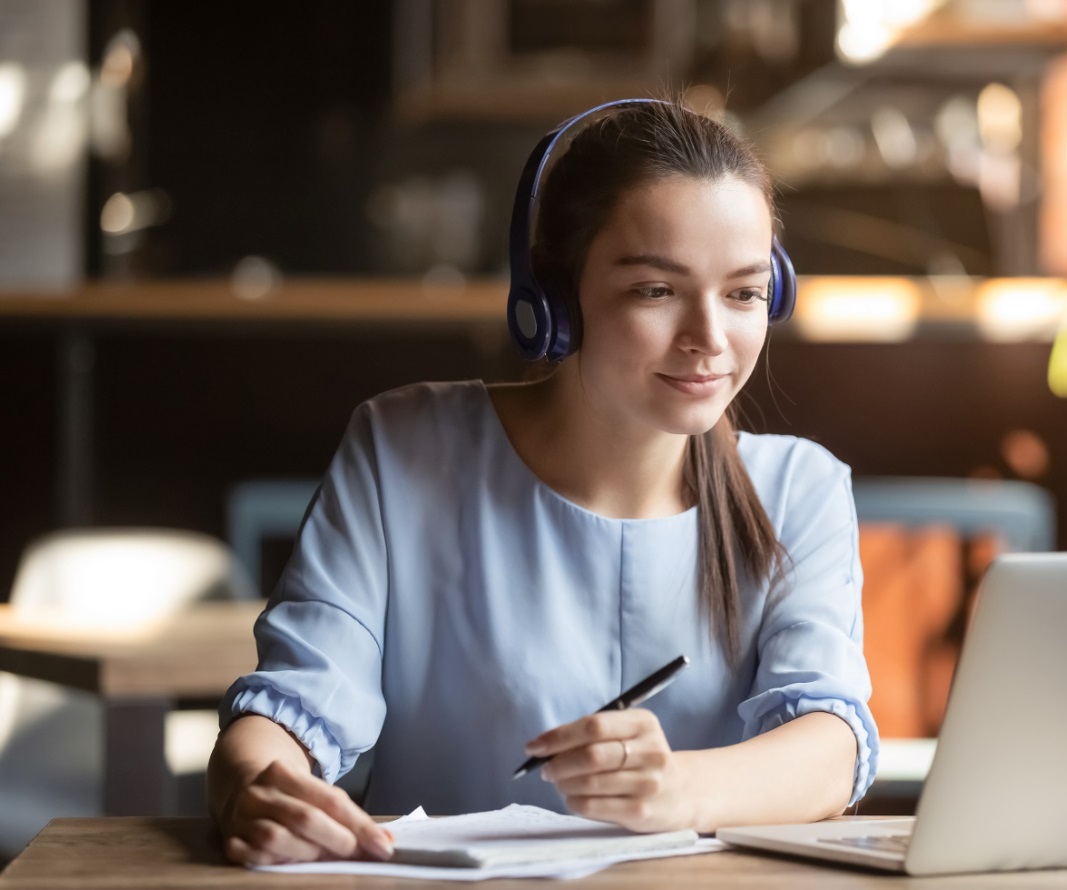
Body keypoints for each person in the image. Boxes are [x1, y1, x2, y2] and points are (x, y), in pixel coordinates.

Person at [207, 98, 879, 867]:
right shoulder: (403, 449)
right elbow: (296, 703)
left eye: (743, 293)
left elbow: (830, 744)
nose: (709, 338)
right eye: (654, 291)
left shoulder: (801, 488)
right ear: (554, 302)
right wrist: (251, 783)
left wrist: (674, 792)